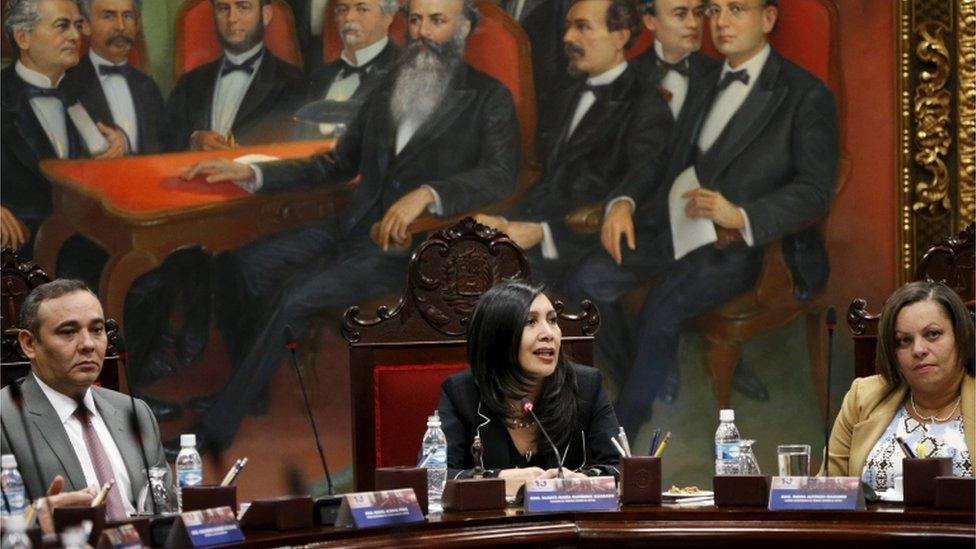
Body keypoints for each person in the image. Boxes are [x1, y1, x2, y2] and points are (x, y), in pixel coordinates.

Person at [174, 0, 520, 454]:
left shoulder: (487, 97)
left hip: (414, 246)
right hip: (353, 223)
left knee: (295, 294)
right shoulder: (389, 84)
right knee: (240, 265)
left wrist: (429, 194)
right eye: (415, 20)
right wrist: (251, 172)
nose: (421, 32)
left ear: (464, 28)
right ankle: (252, 390)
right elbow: (338, 162)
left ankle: (216, 430)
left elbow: (501, 173)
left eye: (437, 21)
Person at [569, 0, 838, 436]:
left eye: (737, 10)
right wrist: (623, 201)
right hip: (676, 226)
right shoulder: (706, 82)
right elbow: (660, 161)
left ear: (768, 19)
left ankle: (622, 428)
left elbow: (815, 192)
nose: (721, 23)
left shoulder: (805, 95)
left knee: (662, 305)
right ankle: (652, 373)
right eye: (714, 11)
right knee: (587, 280)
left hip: (746, 246)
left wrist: (742, 215)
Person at [475, 0, 672, 292]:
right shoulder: (568, 95)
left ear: (619, 37)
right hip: (543, 232)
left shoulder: (647, 106)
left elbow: (634, 192)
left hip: (587, 243)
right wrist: (504, 219)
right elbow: (549, 181)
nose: (567, 38)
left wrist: (543, 233)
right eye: (568, 27)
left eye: (582, 28)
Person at [603, 0, 719, 404]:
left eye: (698, 13)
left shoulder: (722, 75)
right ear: (650, 21)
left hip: (700, 221)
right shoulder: (626, 78)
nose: (694, 24)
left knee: (676, 293)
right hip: (642, 220)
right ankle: (641, 373)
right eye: (680, 14)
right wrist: (622, 201)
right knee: (586, 282)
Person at [0, 279, 168, 520]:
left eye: (97, 330)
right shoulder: (5, 419)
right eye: (68, 332)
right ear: (29, 344)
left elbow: (166, 510)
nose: (88, 344)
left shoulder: (135, 412)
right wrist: (33, 521)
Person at [438, 281, 621, 496]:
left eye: (552, 321)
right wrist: (498, 480)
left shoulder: (586, 386)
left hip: (566, 523)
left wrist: (583, 480)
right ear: (498, 337)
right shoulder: (461, 393)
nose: (548, 333)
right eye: (530, 322)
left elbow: (621, 468)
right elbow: (434, 477)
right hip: (491, 527)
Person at [1, 0, 127, 291]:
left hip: (89, 234)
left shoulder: (84, 92)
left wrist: (118, 145)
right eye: (62, 26)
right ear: (23, 37)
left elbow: (102, 163)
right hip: (23, 245)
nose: (76, 35)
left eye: (77, 25)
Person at [828, 281, 974, 490]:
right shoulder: (862, 397)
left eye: (932, 334)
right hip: (872, 523)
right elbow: (828, 492)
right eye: (904, 340)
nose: (918, 349)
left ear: (960, 336)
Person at [162, 0, 307, 151]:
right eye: (223, 8)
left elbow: (295, 154)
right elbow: (164, 139)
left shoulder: (293, 82)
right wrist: (193, 140)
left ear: (265, 15)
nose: (232, 19)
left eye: (243, 7)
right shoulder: (190, 83)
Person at [63, 0, 166, 154]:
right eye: (108, 16)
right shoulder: (66, 83)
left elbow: (164, 150)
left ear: (137, 25)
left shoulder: (149, 87)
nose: (121, 26)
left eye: (128, 16)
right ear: (85, 25)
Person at [296, 0, 399, 137]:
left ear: (387, 18)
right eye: (342, 9)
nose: (349, 17)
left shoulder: (403, 72)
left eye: (362, 9)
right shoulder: (319, 77)